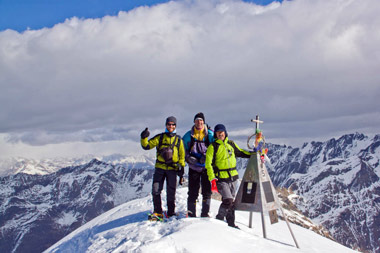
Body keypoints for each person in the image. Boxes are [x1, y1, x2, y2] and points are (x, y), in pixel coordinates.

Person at [205, 124, 252, 228]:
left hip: (233, 178)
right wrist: (212, 178)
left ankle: (231, 223)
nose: (220, 134)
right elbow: (208, 164)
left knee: (231, 202)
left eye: (222, 132)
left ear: (225, 133)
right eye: (218, 132)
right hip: (221, 178)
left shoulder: (231, 144)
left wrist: (254, 154)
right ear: (215, 134)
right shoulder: (213, 147)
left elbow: (241, 152)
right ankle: (220, 218)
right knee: (228, 200)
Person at [140, 116, 186, 219]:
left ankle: (171, 212)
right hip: (160, 168)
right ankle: (158, 211)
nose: (171, 126)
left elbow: (182, 156)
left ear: (175, 126)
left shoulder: (179, 140)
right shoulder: (159, 138)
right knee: (156, 190)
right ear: (166, 125)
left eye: (173, 124)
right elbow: (146, 146)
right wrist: (143, 138)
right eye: (169, 124)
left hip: (173, 169)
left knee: (171, 192)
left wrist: (181, 168)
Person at [183, 112, 214, 217]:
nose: (199, 122)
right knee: (192, 191)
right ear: (194, 122)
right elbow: (183, 150)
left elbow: (215, 148)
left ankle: (205, 213)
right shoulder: (188, 136)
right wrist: (188, 158)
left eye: (201, 120)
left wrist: (208, 156)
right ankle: (191, 214)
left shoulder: (210, 134)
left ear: (204, 122)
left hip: (206, 167)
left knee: (207, 191)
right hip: (194, 167)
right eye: (197, 120)